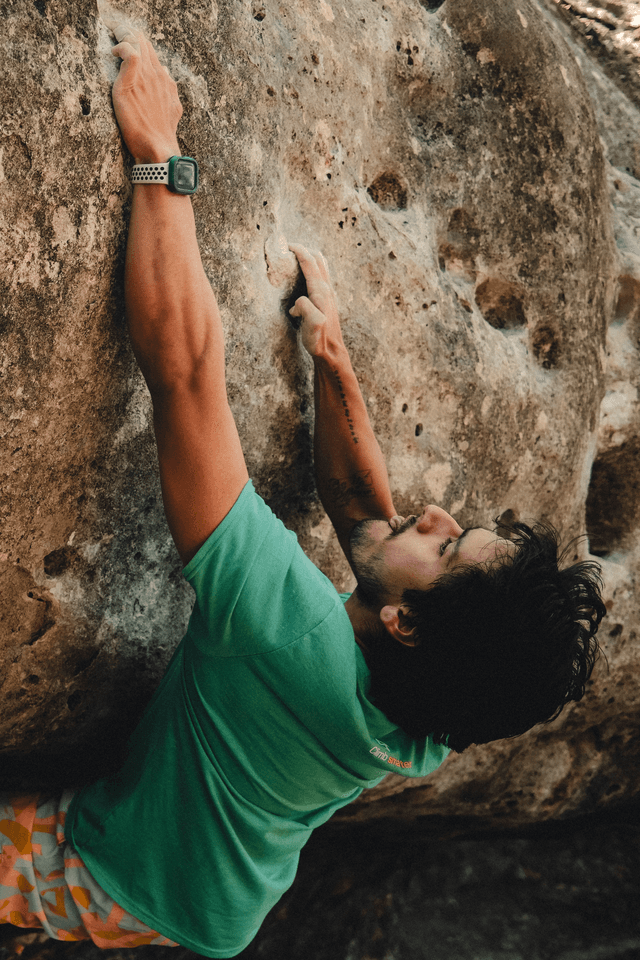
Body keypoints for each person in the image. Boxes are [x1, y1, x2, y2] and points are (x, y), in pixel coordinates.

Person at [0, 22, 605, 957]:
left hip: (115, 876)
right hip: (220, 908)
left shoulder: (284, 630)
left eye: (446, 546)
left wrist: (161, 157)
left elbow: (186, 374)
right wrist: (334, 359)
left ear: (405, 623)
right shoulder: (433, 712)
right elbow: (366, 515)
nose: (437, 513)